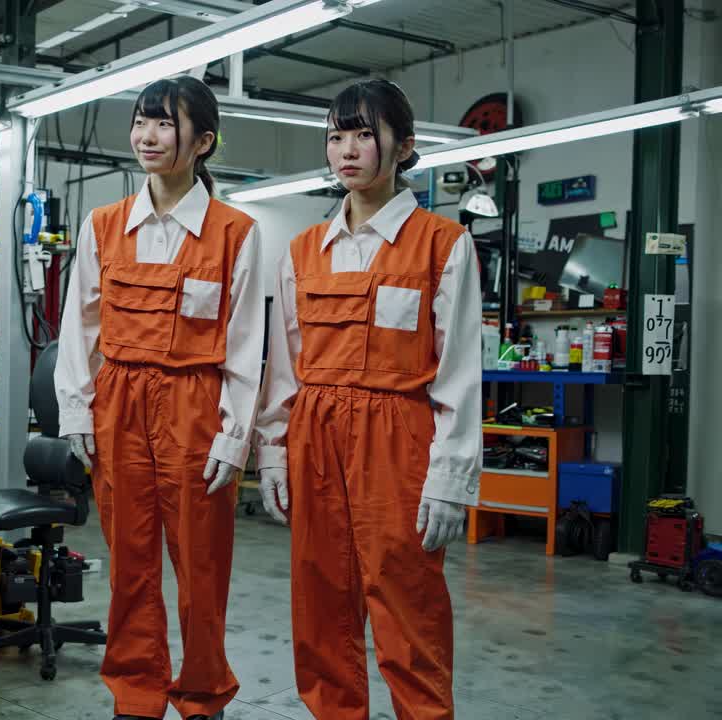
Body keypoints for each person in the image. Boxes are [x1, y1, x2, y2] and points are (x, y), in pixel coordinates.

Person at [253, 79, 483, 720]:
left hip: (399, 440)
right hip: (315, 436)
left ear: (403, 146)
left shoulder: (442, 245)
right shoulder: (302, 253)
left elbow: (459, 375)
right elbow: (284, 370)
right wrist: (272, 453)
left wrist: (449, 480)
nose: (347, 150)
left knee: (408, 608)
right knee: (321, 607)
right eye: (336, 136)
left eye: (363, 134)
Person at [55, 75, 265, 720]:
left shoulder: (236, 232)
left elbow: (245, 344)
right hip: (119, 403)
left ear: (203, 141)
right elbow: (80, 327)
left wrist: (235, 436)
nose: (148, 136)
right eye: (142, 121)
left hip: (196, 407)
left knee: (202, 571)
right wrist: (76, 409)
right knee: (131, 568)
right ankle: (136, 696)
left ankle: (203, 697)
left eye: (166, 124)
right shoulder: (104, 225)